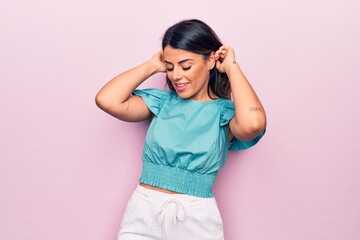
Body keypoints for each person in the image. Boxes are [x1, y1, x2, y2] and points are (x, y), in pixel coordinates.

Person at [96, 19, 266, 240]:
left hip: (197, 219)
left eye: (185, 66)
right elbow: (106, 100)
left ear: (211, 60)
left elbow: (253, 124)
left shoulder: (225, 113)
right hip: (144, 212)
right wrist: (152, 65)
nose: (175, 75)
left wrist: (232, 66)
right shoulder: (161, 103)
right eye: (170, 67)